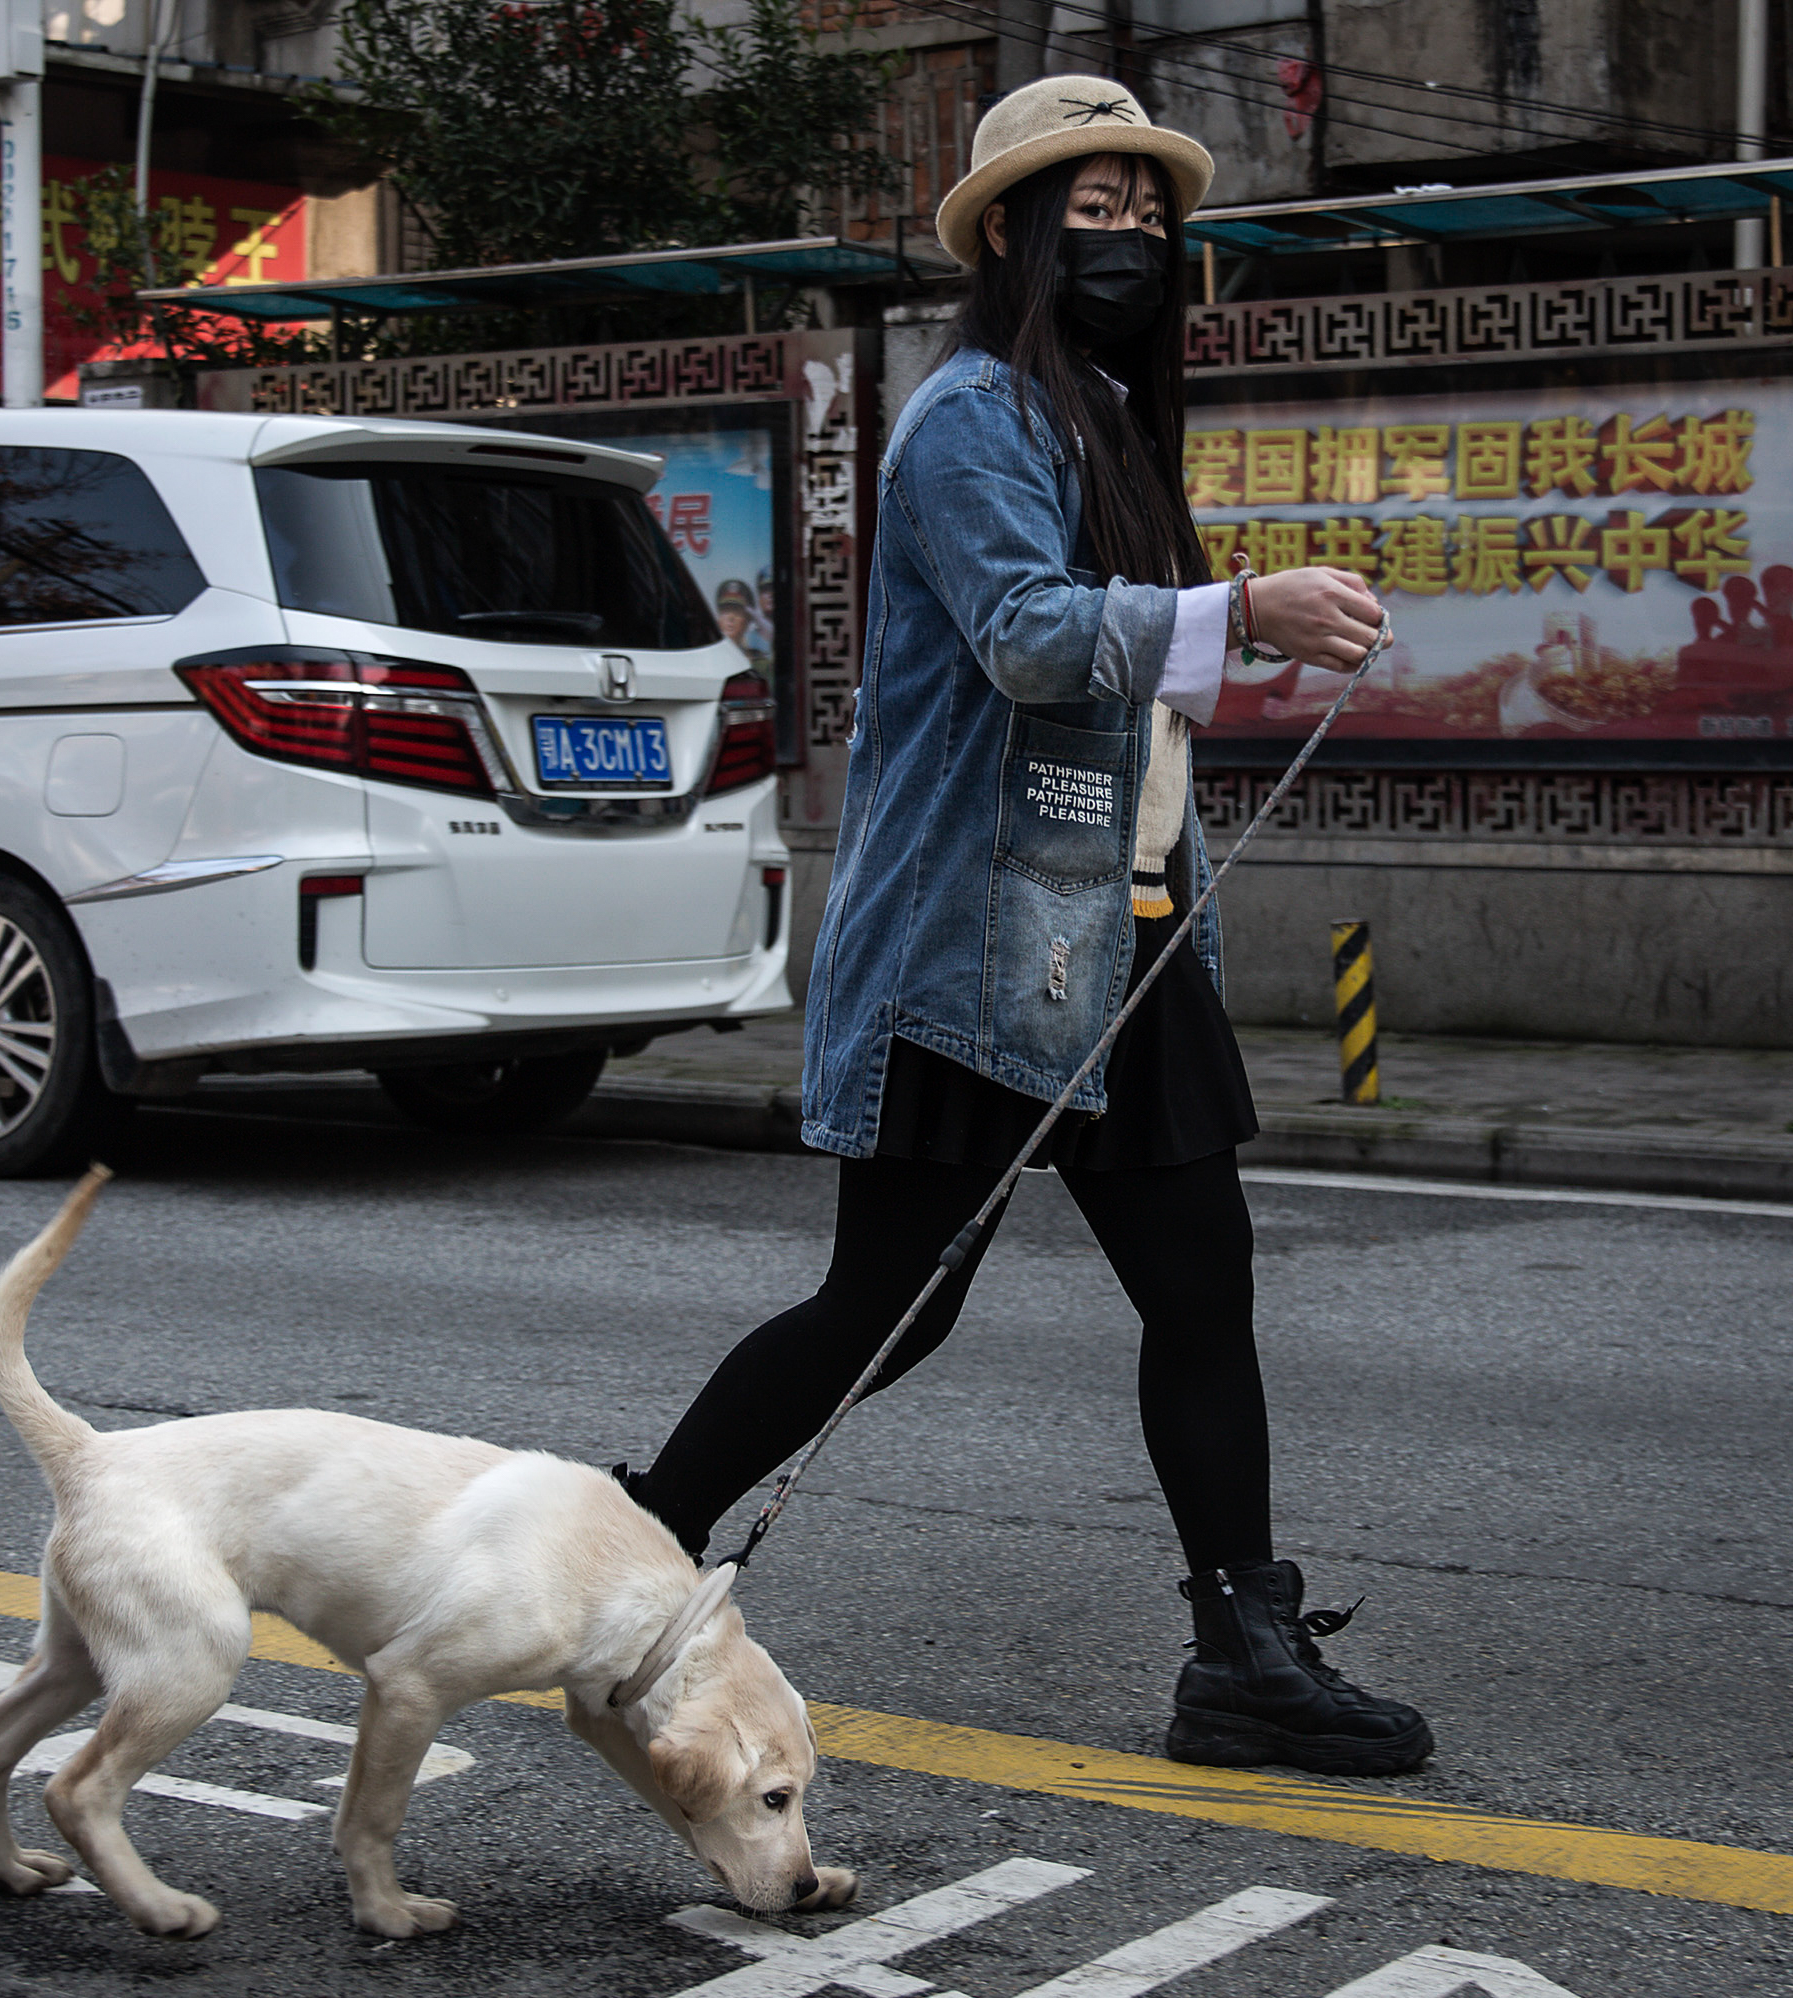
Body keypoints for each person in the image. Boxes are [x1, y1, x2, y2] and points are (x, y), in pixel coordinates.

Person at [614, 77, 1432, 1779]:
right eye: (1095, 210)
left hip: (1123, 936)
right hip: (978, 946)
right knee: (889, 1307)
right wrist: (1243, 611)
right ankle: (622, 1551)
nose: (1129, 239)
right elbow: (1028, 634)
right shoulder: (972, 415)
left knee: (1205, 1289)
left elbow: (1121, 670)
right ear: (1012, 234)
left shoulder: (1107, 423)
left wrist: (1241, 627)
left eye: (1150, 212)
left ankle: (1244, 1649)